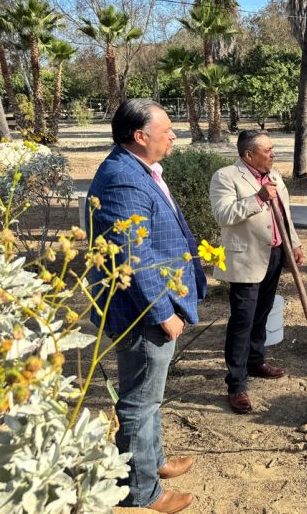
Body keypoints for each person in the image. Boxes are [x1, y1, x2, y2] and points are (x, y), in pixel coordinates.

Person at [88, 99, 206, 513]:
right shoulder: (123, 178)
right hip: (141, 310)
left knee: (149, 397)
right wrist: (163, 314)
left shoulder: (136, 169)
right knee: (139, 401)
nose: (173, 135)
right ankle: (140, 493)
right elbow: (131, 256)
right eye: (167, 129)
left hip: (150, 303)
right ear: (140, 137)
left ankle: (152, 463)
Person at [209, 130, 304, 414]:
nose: (273, 154)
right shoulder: (225, 176)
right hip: (246, 260)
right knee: (242, 321)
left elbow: (285, 214)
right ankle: (236, 384)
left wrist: (294, 244)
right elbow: (223, 215)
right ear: (248, 155)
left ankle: (256, 360)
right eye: (268, 150)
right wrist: (258, 199)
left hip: (273, 255)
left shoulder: (275, 177)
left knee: (262, 313)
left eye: (273, 149)